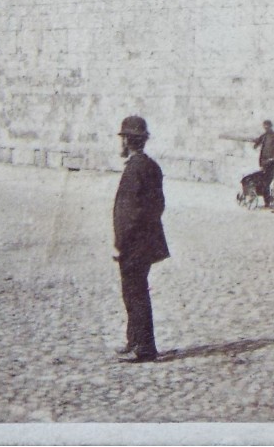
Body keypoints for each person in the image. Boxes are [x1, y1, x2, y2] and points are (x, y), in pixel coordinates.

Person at [112, 115, 169, 363]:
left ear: (128, 140)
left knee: (135, 293)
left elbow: (129, 212)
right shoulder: (151, 166)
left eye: (123, 138)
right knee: (132, 291)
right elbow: (158, 205)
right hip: (145, 241)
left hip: (134, 243)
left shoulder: (135, 169)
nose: (121, 143)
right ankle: (134, 339)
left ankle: (144, 347)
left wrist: (122, 242)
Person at [252, 120, 274, 208]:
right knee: (264, 181)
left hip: (272, 162)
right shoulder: (264, 136)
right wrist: (256, 143)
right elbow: (256, 144)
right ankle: (267, 201)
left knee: (268, 181)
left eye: (267, 126)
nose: (266, 128)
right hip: (264, 162)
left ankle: (271, 200)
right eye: (265, 126)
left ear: (271, 126)